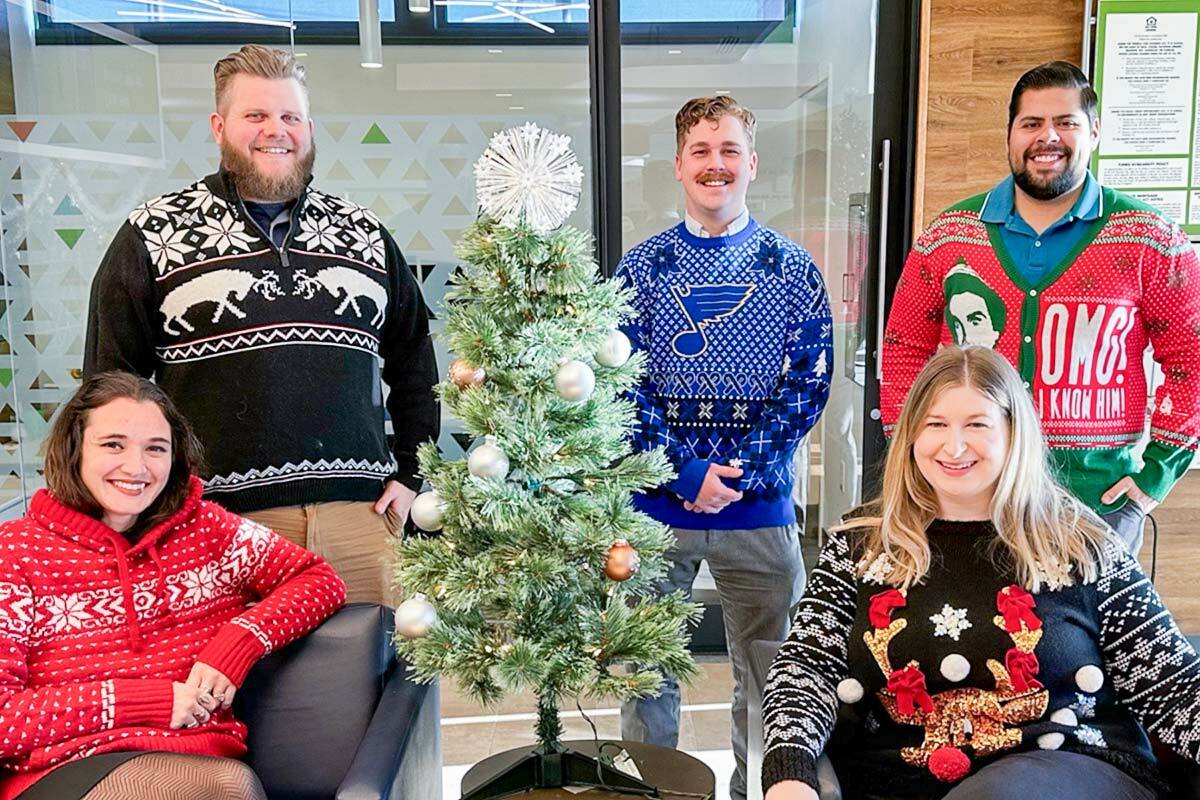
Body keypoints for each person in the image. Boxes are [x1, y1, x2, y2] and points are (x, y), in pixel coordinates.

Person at [762, 345, 1200, 800]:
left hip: (1071, 771)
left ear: (1014, 434)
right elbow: (805, 669)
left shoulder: (1083, 546)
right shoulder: (861, 546)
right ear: (911, 434)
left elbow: (1174, 686)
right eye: (936, 425)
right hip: (896, 781)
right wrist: (789, 771)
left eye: (977, 425)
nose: (953, 447)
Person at [83, 44, 438, 603]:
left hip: (361, 519)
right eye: (256, 115)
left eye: (290, 116)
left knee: (378, 678)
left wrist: (414, 473)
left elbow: (414, 356)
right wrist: (145, 500)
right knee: (236, 688)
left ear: (309, 127)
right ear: (219, 126)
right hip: (221, 530)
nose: (276, 130)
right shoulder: (151, 235)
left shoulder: (365, 233)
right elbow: (109, 387)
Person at [880, 61, 1200, 555]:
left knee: (1084, 633)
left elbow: (1191, 359)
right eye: (1031, 123)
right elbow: (904, 350)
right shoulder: (948, 235)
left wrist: (1155, 474)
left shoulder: (1151, 239)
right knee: (968, 629)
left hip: (1096, 504)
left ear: (1093, 131)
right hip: (967, 494)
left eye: (1065, 122)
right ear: (1009, 134)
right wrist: (914, 462)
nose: (1047, 137)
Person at [616, 95, 834, 800]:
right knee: (648, 676)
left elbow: (810, 381)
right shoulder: (640, 270)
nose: (717, 165)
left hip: (759, 512)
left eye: (730, 150)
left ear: (751, 163)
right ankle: (655, 793)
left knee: (773, 680)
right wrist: (686, 473)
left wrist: (738, 474)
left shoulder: (792, 269)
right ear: (679, 165)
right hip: (655, 511)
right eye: (702, 151)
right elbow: (615, 382)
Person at [0, 371, 346, 800]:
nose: (136, 467)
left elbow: (318, 580)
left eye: (155, 449)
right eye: (113, 444)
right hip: (65, 770)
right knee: (224, 788)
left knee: (224, 785)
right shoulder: (15, 552)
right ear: (74, 449)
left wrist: (239, 642)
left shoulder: (208, 531)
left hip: (199, 759)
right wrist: (147, 702)